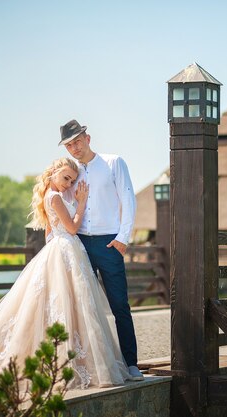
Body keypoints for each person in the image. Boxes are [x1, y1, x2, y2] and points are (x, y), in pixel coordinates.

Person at [0, 157, 131, 391]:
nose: (69, 184)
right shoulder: (56, 197)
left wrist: (56, 250)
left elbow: (50, 231)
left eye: (71, 180)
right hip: (65, 247)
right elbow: (72, 228)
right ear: (53, 173)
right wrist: (81, 202)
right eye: (66, 178)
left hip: (63, 250)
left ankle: (72, 360)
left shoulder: (51, 195)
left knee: (68, 305)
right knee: (65, 305)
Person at [58, 119, 143, 381]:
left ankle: (131, 364)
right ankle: (90, 368)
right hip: (80, 243)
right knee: (83, 307)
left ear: (88, 138)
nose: (74, 148)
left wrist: (123, 239)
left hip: (109, 243)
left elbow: (128, 199)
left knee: (120, 305)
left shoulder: (114, 163)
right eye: (68, 145)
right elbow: (60, 201)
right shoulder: (70, 172)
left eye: (77, 141)